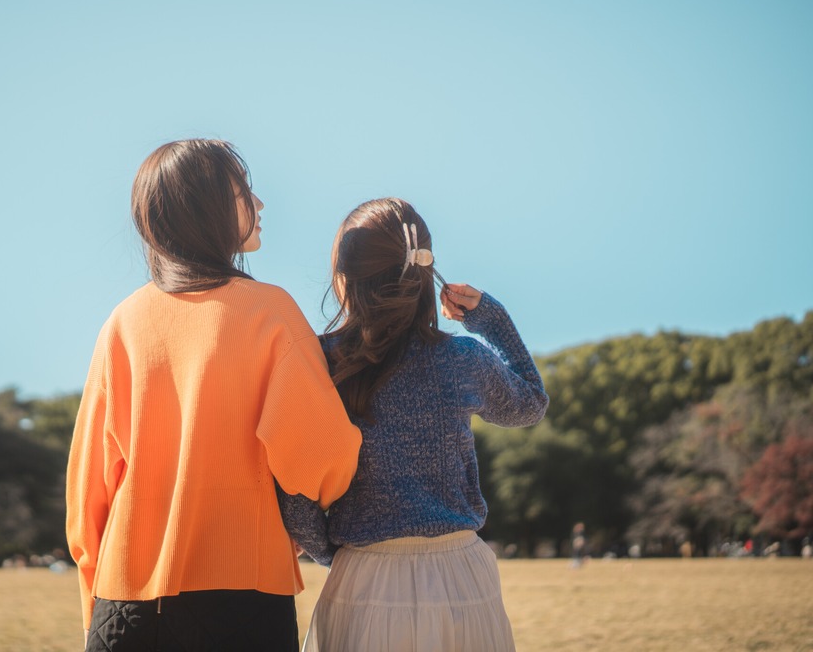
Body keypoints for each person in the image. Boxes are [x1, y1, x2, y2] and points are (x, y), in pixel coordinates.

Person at [67, 139, 362, 652]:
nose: (260, 204)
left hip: (126, 601)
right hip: (241, 602)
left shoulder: (123, 323)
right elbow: (325, 457)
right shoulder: (270, 312)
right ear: (204, 209)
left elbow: (90, 492)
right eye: (244, 192)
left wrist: (96, 609)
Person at [279, 197, 549, 652]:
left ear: (344, 278)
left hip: (363, 580)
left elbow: (295, 491)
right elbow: (531, 404)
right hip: (463, 582)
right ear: (425, 274)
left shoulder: (318, 362)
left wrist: (339, 555)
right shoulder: (462, 359)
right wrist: (491, 320)